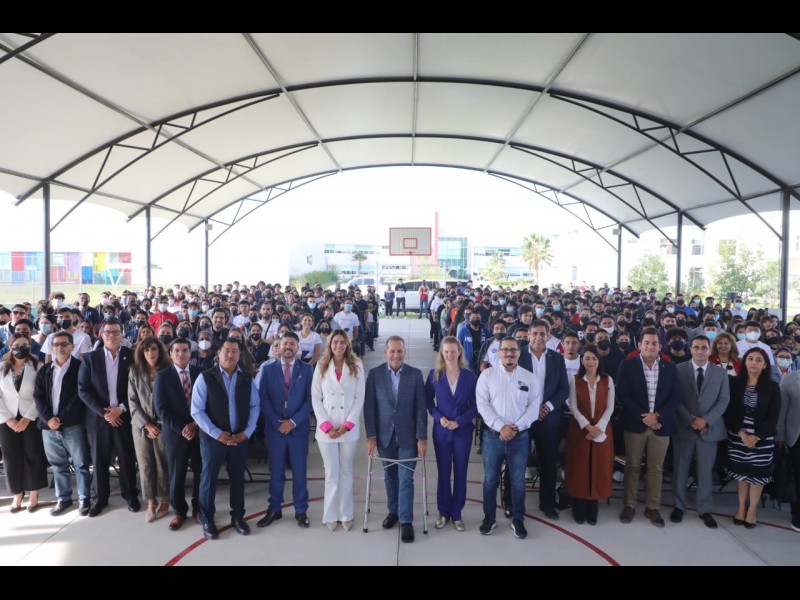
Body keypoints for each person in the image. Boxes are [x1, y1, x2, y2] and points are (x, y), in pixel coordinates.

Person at [191, 338, 260, 540]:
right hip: (213, 439)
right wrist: (217, 433)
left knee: (238, 478)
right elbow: (197, 410)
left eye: (234, 351)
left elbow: (255, 406)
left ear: (240, 354)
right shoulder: (205, 377)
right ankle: (207, 518)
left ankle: (238, 517)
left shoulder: (247, 378)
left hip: (239, 437)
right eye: (227, 351)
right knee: (209, 479)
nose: (230, 354)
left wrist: (247, 433)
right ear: (219, 353)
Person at [364, 335, 427, 543]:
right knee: (390, 476)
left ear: (405, 352)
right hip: (384, 436)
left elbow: (420, 409)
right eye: (392, 351)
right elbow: (369, 407)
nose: (396, 355)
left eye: (400, 351)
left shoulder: (415, 375)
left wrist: (422, 438)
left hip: (409, 437)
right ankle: (394, 511)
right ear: (385, 352)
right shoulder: (375, 375)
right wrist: (371, 436)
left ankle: (406, 520)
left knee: (406, 478)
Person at [476, 336, 541, 539]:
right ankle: (489, 518)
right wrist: (501, 427)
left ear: (519, 353)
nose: (509, 353)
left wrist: (516, 427)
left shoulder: (529, 377)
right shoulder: (487, 375)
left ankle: (518, 518)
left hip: (519, 437)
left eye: (513, 350)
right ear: (499, 352)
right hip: (493, 437)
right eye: (505, 350)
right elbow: (482, 405)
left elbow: (534, 407)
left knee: (518, 481)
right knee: (490, 480)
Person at [616, 327, 680, 527]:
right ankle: (629, 505)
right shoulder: (628, 365)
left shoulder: (670, 367)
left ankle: (652, 507)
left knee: (656, 468)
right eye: (647, 343)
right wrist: (644, 417)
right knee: (632, 466)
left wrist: (657, 416)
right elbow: (623, 395)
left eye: (654, 343)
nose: (650, 346)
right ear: (639, 345)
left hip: (661, 424)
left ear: (660, 346)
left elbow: (675, 398)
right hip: (635, 424)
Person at [78, 318, 140, 517]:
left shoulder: (132, 356)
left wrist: (120, 409)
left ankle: (130, 494)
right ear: (101, 335)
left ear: (122, 334)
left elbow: (137, 388)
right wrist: (105, 413)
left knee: (126, 458)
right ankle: (100, 499)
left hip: (124, 417)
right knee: (99, 460)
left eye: (115, 332)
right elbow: (83, 390)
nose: (111, 335)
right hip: (98, 419)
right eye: (108, 332)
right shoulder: (90, 358)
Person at [671, 335, 730, 529]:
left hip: (709, 429)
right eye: (696, 347)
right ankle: (678, 506)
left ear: (710, 350)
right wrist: (690, 420)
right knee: (681, 469)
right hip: (684, 427)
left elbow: (723, 400)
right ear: (690, 349)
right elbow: (675, 398)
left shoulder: (720, 373)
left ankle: (704, 508)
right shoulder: (678, 370)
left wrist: (706, 420)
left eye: (704, 347)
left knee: (705, 471)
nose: (700, 351)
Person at [257, 332, 314, 529]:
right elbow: (263, 398)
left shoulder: (307, 369)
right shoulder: (267, 369)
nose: (288, 347)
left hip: (298, 429)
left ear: (298, 347)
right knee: (276, 471)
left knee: (299, 470)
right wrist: (277, 422)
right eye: (285, 343)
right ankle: (275, 508)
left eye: (292, 344)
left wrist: (293, 422)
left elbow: (310, 399)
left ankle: (301, 510)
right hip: (276, 430)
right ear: (279, 347)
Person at [311, 330, 365, 531]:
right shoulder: (321, 365)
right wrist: (326, 425)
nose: (339, 346)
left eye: (342, 342)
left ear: (347, 344)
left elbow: (359, 397)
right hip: (327, 429)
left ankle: (346, 514)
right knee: (331, 473)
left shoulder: (357, 364)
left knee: (346, 471)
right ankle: (330, 515)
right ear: (330, 344)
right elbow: (316, 398)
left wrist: (347, 425)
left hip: (348, 428)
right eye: (335, 342)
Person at [33, 331, 92, 516]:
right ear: (52, 348)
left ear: (72, 347)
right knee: (58, 465)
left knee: (81, 464)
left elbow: (79, 396)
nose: (60, 347)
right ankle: (63, 498)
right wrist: (48, 419)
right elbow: (38, 396)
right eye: (56, 344)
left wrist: (61, 419)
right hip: (48, 427)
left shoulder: (80, 368)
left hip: (73, 425)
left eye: (64, 344)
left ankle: (84, 498)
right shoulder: (45, 369)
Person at [724, 347, 781, 529]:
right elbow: (729, 411)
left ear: (765, 365)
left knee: (758, 475)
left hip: (762, 438)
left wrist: (756, 437)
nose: (753, 362)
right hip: (738, 436)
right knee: (742, 473)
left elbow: (773, 417)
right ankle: (741, 507)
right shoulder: (734, 383)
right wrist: (742, 433)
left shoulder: (773, 387)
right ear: (744, 362)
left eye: (758, 360)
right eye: (750, 358)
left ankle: (752, 510)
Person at [519, 320, 570, 521]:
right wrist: (532, 409)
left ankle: (547, 504)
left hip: (548, 419)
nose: (539, 337)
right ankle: (514, 504)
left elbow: (564, 389)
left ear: (549, 336)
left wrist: (547, 407)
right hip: (523, 418)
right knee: (517, 462)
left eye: (543, 334)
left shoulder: (557, 359)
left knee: (549, 463)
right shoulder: (519, 355)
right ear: (529, 335)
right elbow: (512, 387)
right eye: (535, 333)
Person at [425, 337, 478, 531]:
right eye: (446, 351)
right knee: (444, 472)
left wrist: (460, 421)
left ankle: (456, 513)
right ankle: (443, 511)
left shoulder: (469, 376)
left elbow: (477, 405)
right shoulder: (434, 375)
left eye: (453, 351)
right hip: (442, 432)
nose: (449, 355)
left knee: (461, 472)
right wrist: (440, 418)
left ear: (459, 352)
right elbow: (428, 401)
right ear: (441, 353)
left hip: (462, 431)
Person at [152, 338, 203, 531]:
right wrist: (183, 428)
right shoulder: (163, 376)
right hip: (175, 434)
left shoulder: (201, 373)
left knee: (200, 472)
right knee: (176, 474)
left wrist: (195, 425)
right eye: (177, 351)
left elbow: (207, 403)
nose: (181, 354)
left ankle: (199, 507)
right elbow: (161, 408)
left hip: (199, 432)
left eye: (185, 350)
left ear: (190, 353)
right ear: (171, 354)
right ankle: (179, 512)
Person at [564, 345, 615, 525]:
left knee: (598, 467)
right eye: (587, 358)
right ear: (582, 360)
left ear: (599, 361)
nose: (591, 362)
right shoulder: (575, 380)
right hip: (580, 430)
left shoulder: (607, 380)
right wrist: (587, 427)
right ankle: (578, 508)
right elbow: (573, 407)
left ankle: (593, 508)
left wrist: (598, 428)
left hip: (602, 430)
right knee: (579, 468)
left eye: (594, 358)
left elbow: (610, 407)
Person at [0, 333, 48, 512]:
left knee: (33, 454)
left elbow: (41, 395)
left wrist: (28, 417)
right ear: (10, 347)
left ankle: (33, 493)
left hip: (30, 417)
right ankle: (17, 494)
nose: (21, 348)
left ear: (30, 346)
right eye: (17, 345)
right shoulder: (1, 367)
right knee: (11, 457)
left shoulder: (38, 366)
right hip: (7, 419)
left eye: (25, 345)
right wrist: (8, 418)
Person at [128, 336, 171, 523]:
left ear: (159, 351)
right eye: (146, 350)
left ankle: (166, 498)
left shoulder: (168, 370)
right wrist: (146, 424)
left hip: (164, 425)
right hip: (141, 427)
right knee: (145, 464)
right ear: (141, 353)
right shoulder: (135, 371)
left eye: (153, 349)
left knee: (164, 463)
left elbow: (173, 400)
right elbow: (132, 401)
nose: (150, 353)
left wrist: (162, 423)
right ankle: (151, 501)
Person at [778, 369, 800, 532]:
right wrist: (780, 436)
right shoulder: (790, 380)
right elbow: (781, 411)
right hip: (796, 437)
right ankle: (797, 515)